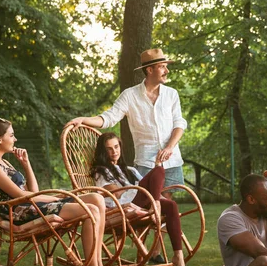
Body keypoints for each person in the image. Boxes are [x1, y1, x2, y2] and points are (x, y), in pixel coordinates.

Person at [0, 118, 124, 266]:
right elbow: (20, 196)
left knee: (97, 198)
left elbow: (32, 190)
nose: (15, 139)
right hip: (18, 212)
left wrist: (26, 164)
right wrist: (55, 199)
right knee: (91, 210)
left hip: (29, 206)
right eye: (11, 135)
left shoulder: (4, 162)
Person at [65, 48, 187, 199]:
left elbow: (179, 124)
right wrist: (84, 120)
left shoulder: (171, 94)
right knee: (146, 202)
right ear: (149, 70)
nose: (166, 70)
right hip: (146, 162)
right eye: (162, 66)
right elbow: (109, 117)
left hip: (172, 159)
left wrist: (169, 147)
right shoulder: (130, 95)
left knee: (165, 204)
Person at [90, 132, 188, 266]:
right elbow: (115, 193)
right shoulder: (100, 171)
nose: (114, 151)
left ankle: (178, 257)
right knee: (158, 170)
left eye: (116, 147)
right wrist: (142, 187)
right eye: (109, 149)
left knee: (171, 205)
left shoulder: (130, 170)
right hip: (124, 206)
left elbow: (152, 186)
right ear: (103, 152)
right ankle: (156, 205)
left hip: (141, 200)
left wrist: (152, 190)